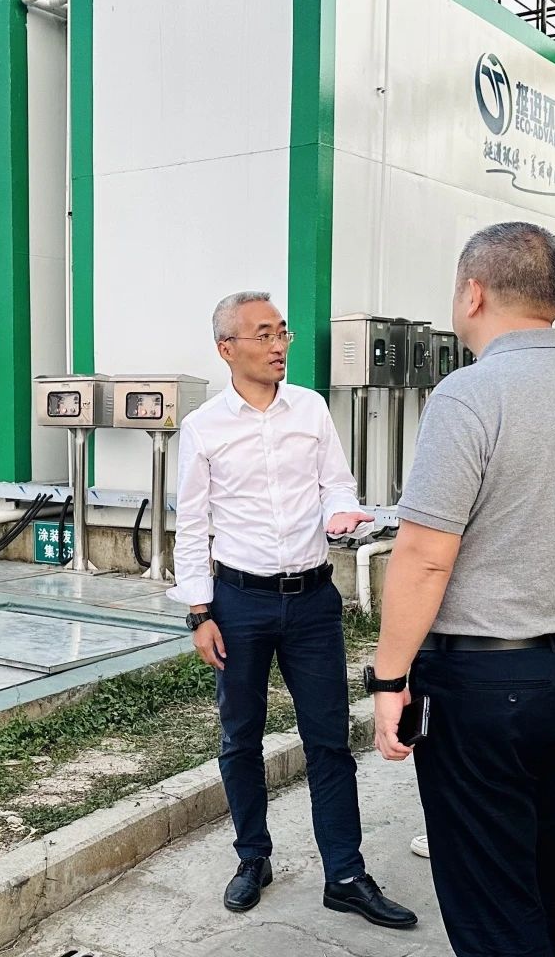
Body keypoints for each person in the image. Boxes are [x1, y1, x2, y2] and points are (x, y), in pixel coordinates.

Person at [370, 221, 555, 957]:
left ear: (473, 292)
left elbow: (425, 555)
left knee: (492, 895)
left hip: (488, 684)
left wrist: (388, 679)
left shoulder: (469, 395)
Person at [169, 291, 416, 929]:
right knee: (240, 738)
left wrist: (341, 512)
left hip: (311, 601)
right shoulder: (203, 427)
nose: (279, 345)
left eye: (282, 332)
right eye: (264, 334)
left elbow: (337, 483)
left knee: (329, 740)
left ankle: (346, 875)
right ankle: (253, 857)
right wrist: (199, 612)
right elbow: (190, 524)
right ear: (227, 348)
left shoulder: (310, 409)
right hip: (238, 602)